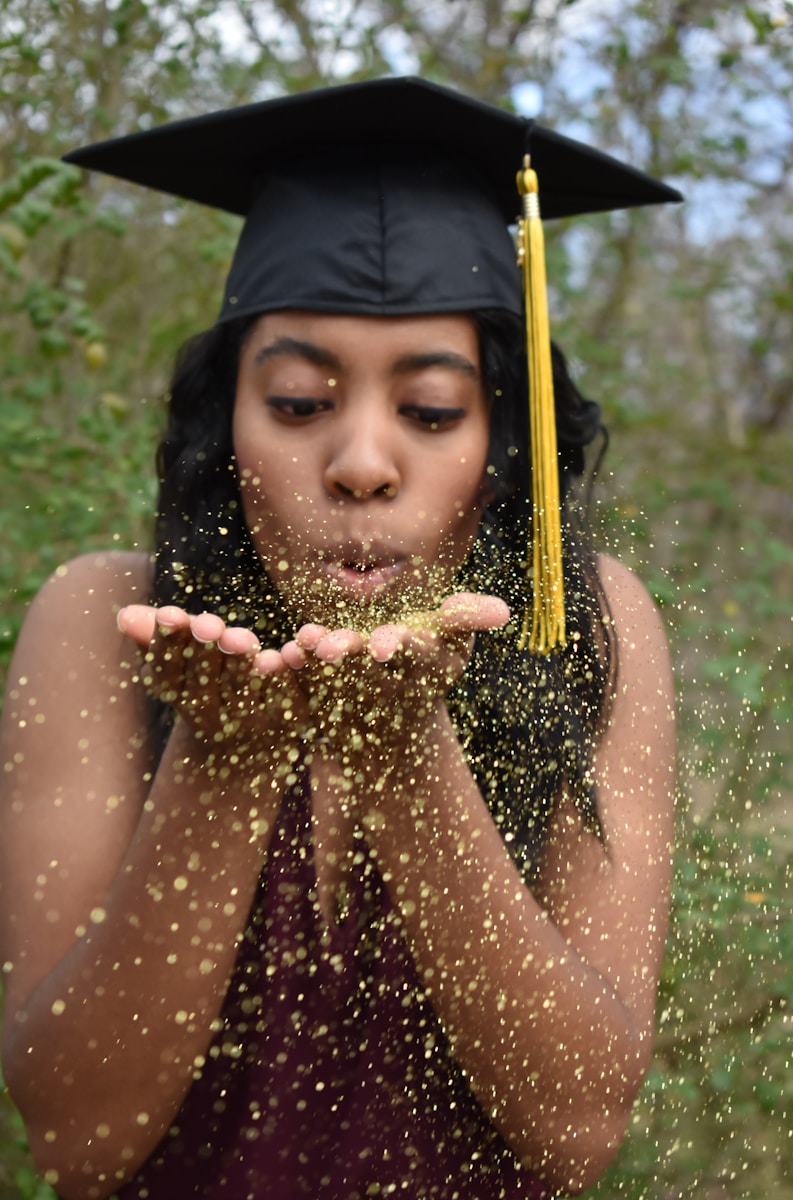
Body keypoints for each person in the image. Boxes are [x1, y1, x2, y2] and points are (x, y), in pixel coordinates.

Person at [0, 78, 677, 1200]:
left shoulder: (591, 629)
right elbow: (79, 1143)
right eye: (302, 401)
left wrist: (406, 757)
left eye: (428, 411)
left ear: (502, 442)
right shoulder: (100, 626)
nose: (361, 462)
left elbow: (574, 1135)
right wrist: (223, 759)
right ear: (228, 424)